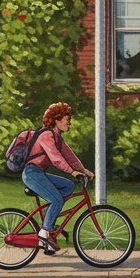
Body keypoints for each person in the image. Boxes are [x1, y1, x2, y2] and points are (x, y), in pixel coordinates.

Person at [22, 102, 95, 253]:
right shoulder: (46, 135)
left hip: (39, 173)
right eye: (66, 119)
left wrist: (83, 170)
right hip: (31, 173)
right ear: (56, 120)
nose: (69, 123)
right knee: (57, 199)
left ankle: (49, 225)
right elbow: (56, 159)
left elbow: (70, 157)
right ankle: (44, 233)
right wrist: (72, 172)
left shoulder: (58, 138)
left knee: (68, 186)